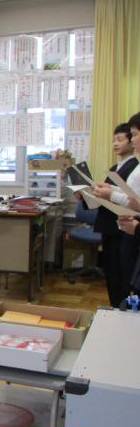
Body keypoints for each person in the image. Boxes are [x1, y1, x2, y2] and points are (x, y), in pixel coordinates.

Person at [86, 124, 138, 306]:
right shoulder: (116, 166)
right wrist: (86, 195)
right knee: (112, 272)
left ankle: (120, 308)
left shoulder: (134, 166)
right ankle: (116, 306)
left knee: (120, 275)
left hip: (121, 228)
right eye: (114, 140)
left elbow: (131, 200)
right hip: (110, 225)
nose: (115, 143)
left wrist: (110, 193)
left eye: (120, 139)